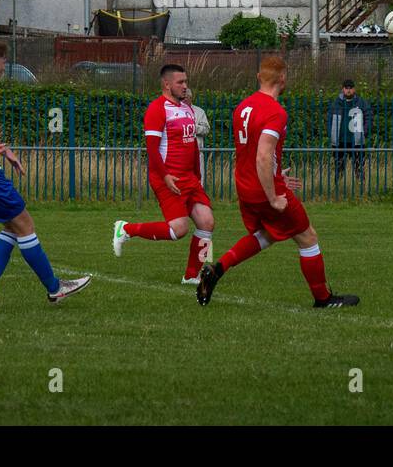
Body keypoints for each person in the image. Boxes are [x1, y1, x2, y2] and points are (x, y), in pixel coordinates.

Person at [197, 56, 359, 308]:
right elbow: (262, 154)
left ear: (259, 77)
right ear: (283, 78)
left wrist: (275, 173)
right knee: (307, 237)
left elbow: (250, 152)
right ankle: (323, 299)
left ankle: (217, 269)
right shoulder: (275, 111)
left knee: (267, 235)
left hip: (245, 186)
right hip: (264, 191)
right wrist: (273, 195)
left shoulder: (242, 107)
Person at [0, 37, 91, 310]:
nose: (4, 68)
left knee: (12, 226)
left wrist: (3, 149)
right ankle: (55, 288)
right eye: (4, 63)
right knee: (24, 224)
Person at [113, 64, 215, 285]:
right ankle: (127, 229)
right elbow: (152, 149)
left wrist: (197, 174)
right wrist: (166, 176)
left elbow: (193, 147)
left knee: (207, 222)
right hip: (168, 177)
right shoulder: (157, 109)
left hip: (189, 178)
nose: (185, 86)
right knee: (179, 229)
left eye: (186, 81)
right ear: (166, 84)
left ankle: (192, 275)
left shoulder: (187, 108)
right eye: (180, 82)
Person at [329, 78, 369, 187]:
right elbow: (329, 120)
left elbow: (368, 118)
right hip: (339, 141)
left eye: (350, 88)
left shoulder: (361, 102)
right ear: (343, 89)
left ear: (354, 89)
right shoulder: (336, 103)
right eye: (346, 88)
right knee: (338, 167)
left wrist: (364, 132)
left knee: (359, 166)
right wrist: (331, 134)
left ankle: (361, 188)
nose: (348, 90)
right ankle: (337, 188)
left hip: (356, 141)